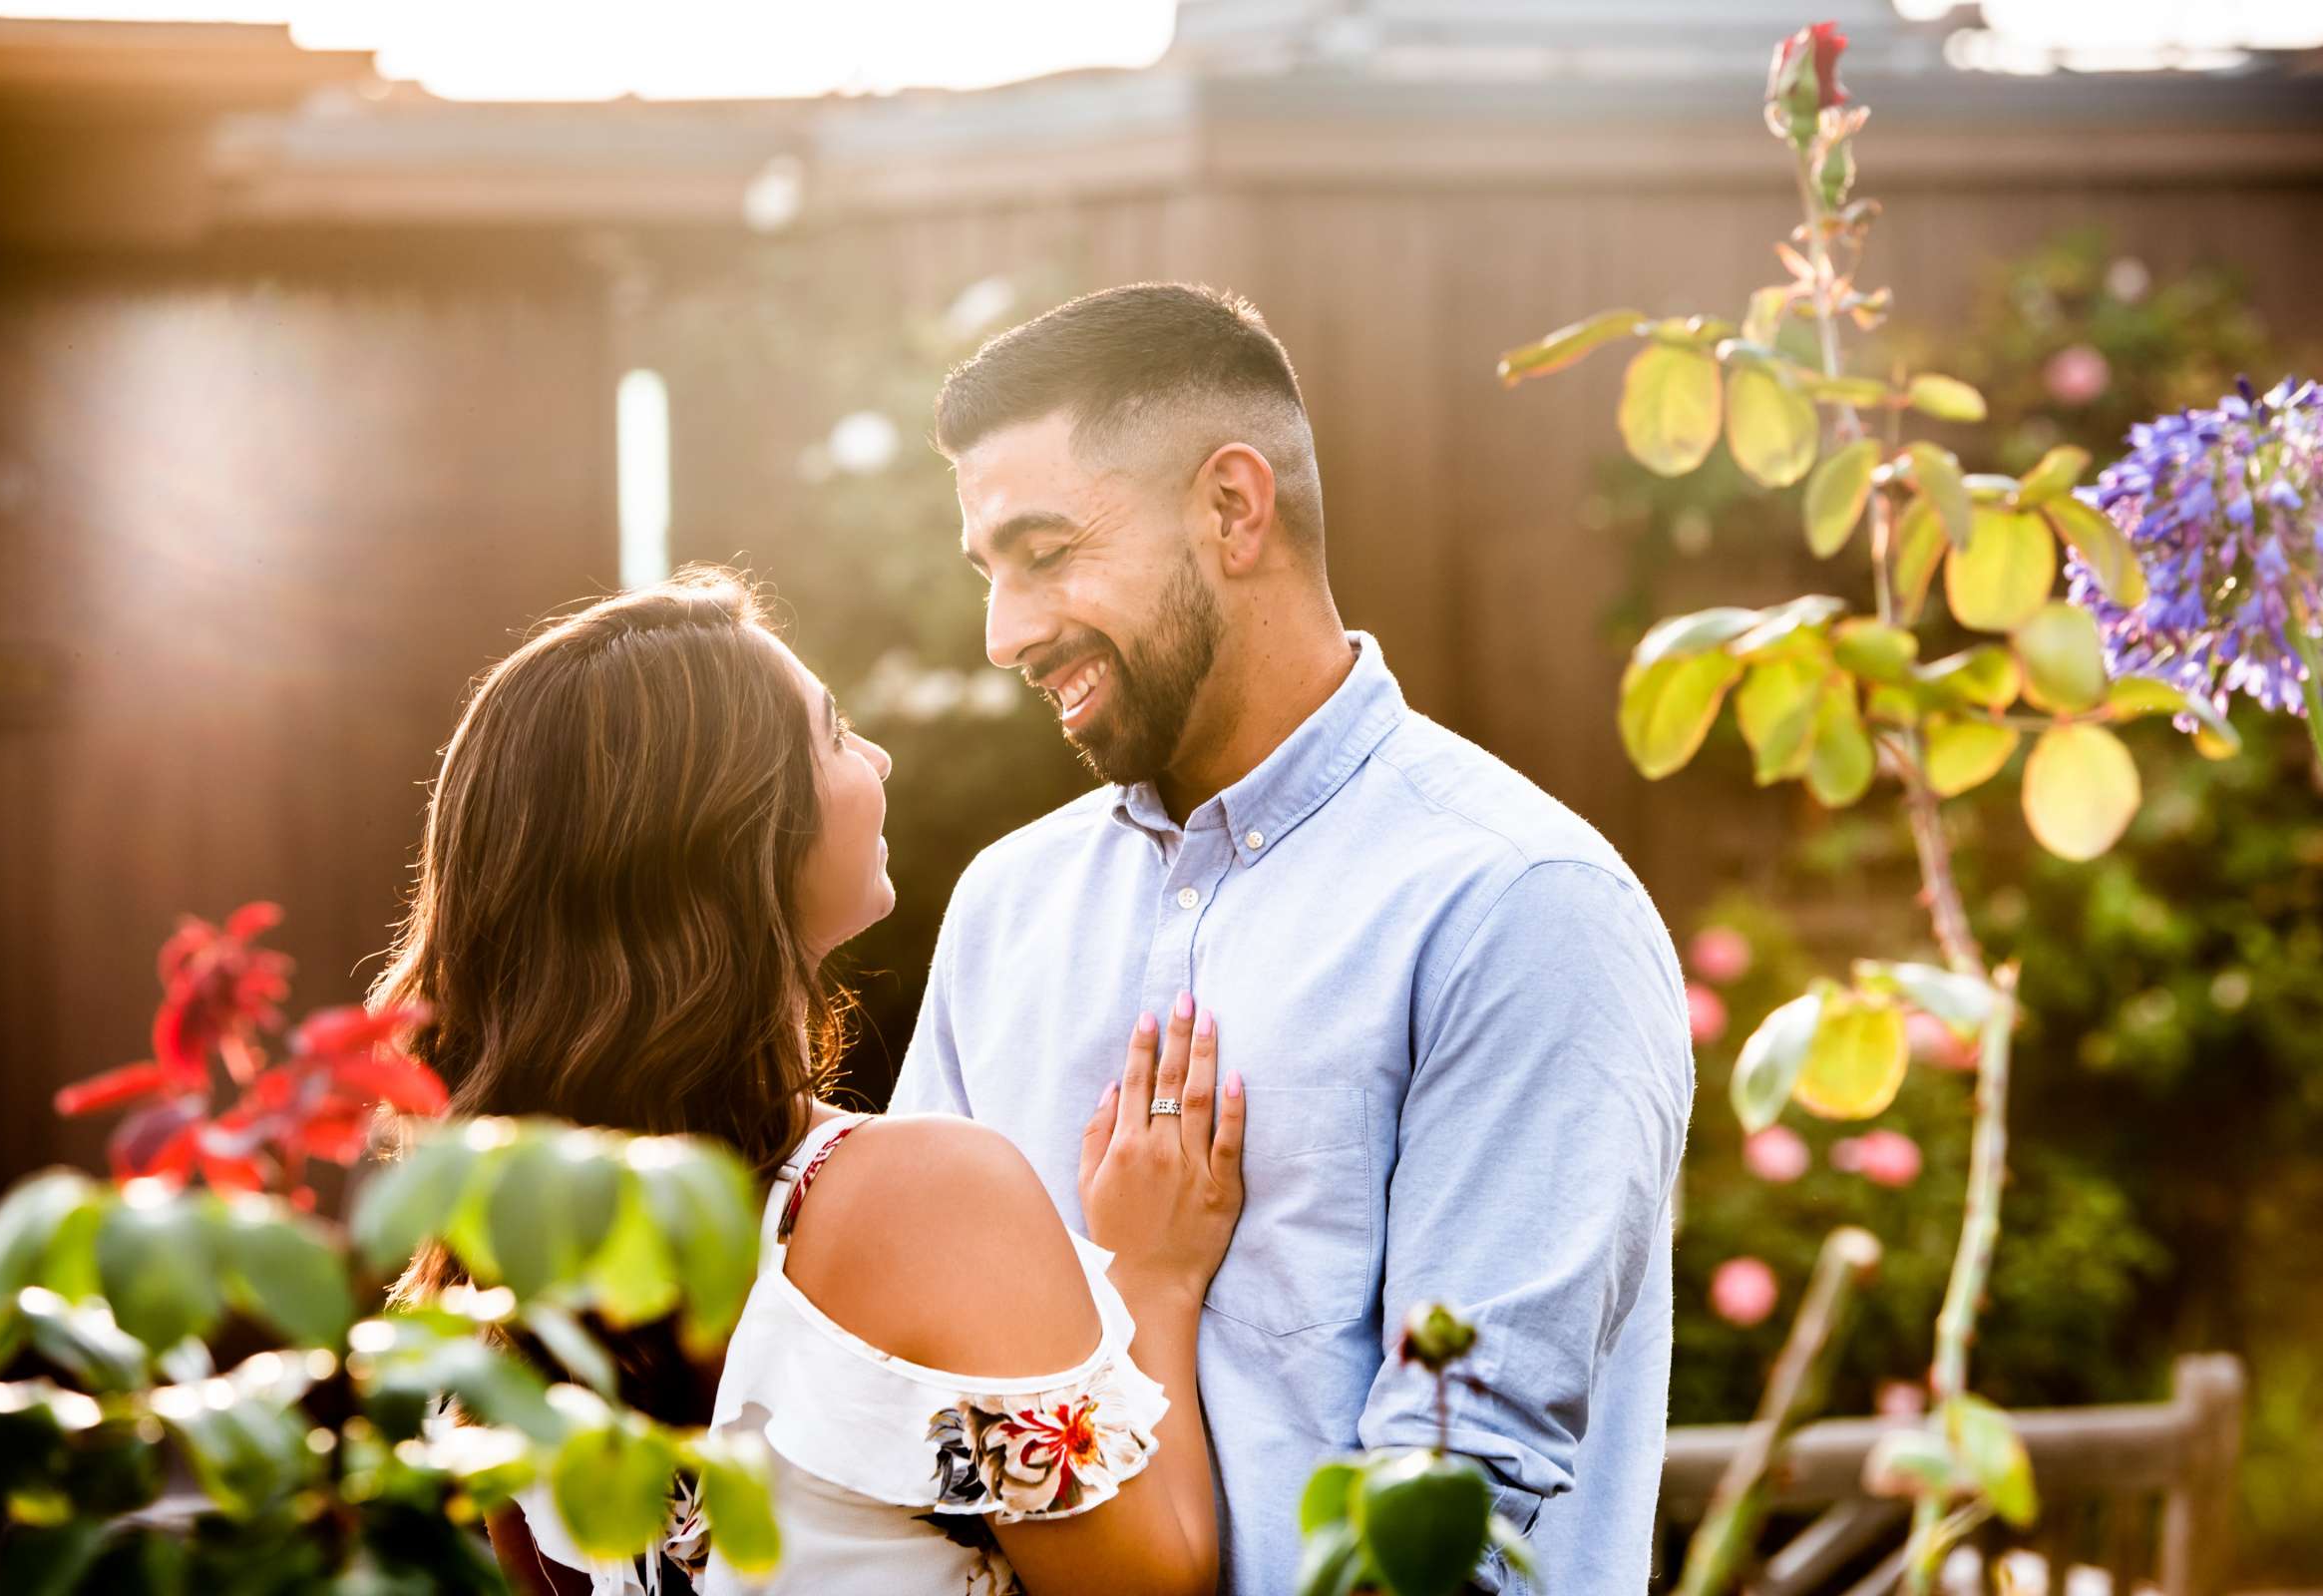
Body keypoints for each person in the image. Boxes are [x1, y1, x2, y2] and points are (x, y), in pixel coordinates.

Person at [890, 283, 1696, 1594]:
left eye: (1045, 553)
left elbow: (1456, 1515)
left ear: (1231, 507)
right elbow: (930, 1409)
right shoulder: (1004, 910)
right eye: (991, 575)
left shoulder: (1517, 906)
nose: (1007, 634)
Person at [375, 571, 1247, 1596]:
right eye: (833, 734)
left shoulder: (502, 1290)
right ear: (729, 833)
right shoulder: (917, 1196)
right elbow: (1154, 1586)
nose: (876, 756)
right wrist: (1156, 1277)